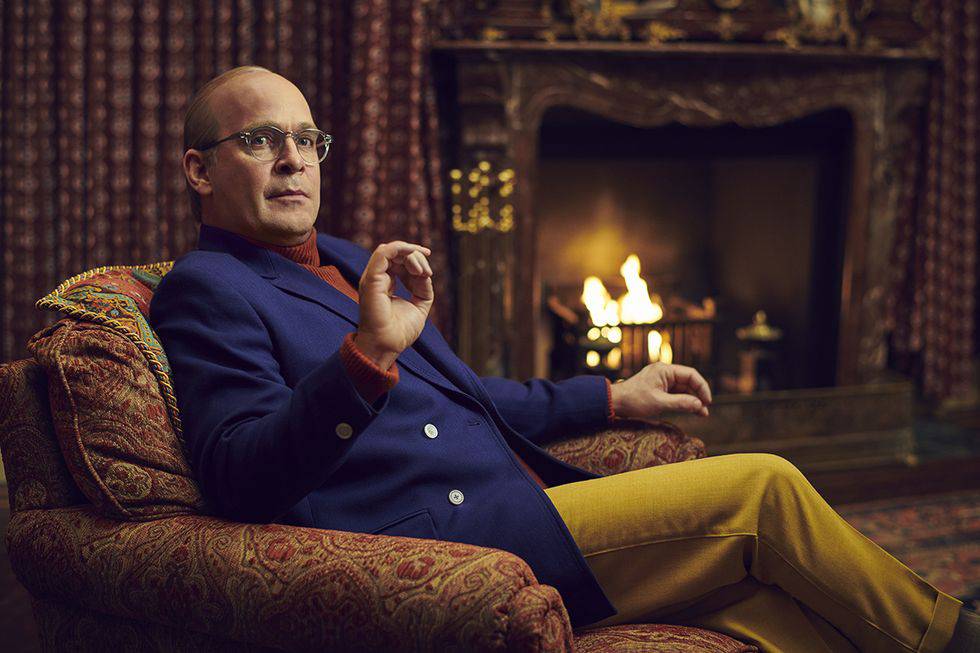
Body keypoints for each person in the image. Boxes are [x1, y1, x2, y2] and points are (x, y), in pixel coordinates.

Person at [149, 66, 978, 652]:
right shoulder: (206, 288)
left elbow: (470, 394)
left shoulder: (344, 256)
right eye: (260, 139)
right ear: (200, 169)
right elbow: (240, 473)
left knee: (770, 606)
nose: (294, 159)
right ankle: (956, 635)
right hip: (455, 543)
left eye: (306, 138)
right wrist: (366, 356)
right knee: (764, 487)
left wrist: (615, 396)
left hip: (523, 501)